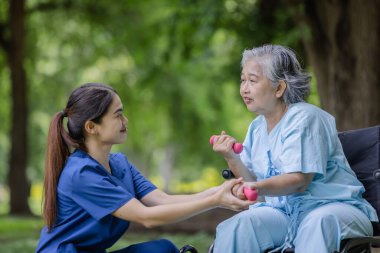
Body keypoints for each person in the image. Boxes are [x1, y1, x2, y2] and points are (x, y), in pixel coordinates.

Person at [35, 83, 253, 253]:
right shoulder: (81, 174)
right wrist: (215, 201)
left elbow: (162, 200)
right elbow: (147, 217)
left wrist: (222, 190)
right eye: (118, 115)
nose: (125, 120)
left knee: (163, 249)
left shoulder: (119, 164)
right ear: (92, 127)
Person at [210, 45, 378, 253]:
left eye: (252, 80)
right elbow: (257, 192)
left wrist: (256, 187)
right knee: (240, 226)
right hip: (284, 213)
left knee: (318, 223)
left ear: (279, 88)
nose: (244, 88)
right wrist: (232, 157)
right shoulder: (257, 127)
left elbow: (298, 181)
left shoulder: (306, 118)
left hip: (333, 208)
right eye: (243, 80)